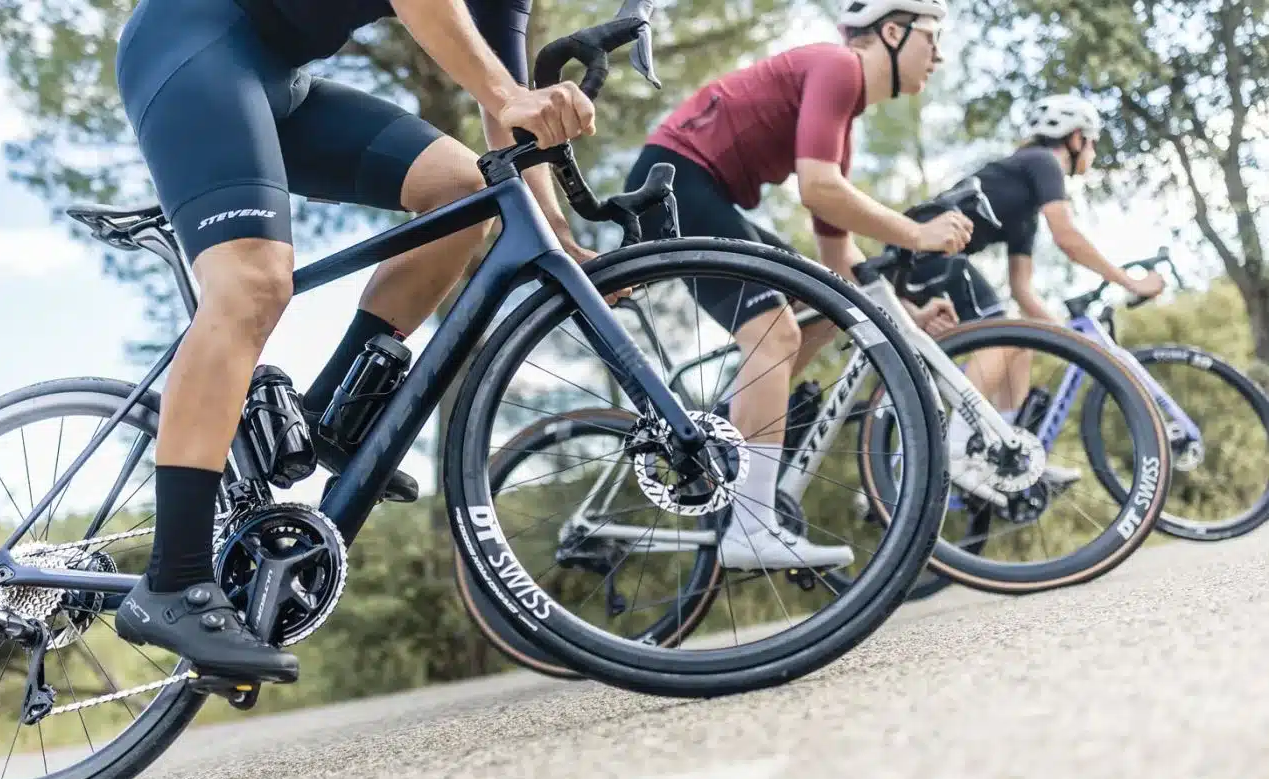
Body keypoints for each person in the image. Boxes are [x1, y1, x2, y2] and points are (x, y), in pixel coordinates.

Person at [111, 0, 599, 682]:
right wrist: (510, 94)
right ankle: (175, 578)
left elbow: (507, 117)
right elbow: (487, 73)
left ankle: (329, 416)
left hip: (280, 76)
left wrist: (558, 234)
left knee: (462, 195)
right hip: (192, 41)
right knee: (252, 283)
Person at [623, 0, 972, 571]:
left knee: (821, 304)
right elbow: (818, 189)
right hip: (677, 180)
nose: (939, 55)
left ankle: (732, 432)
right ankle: (751, 524)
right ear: (891, 31)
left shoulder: (843, 115)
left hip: (697, 188)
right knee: (778, 334)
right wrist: (917, 234)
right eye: (932, 38)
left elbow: (839, 260)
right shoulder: (838, 67)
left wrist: (907, 317)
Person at [902, 93, 1165, 480]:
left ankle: (1006, 454)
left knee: (1021, 340)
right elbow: (1068, 238)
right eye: (1092, 142)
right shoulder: (1042, 162)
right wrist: (1131, 282)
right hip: (921, 249)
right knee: (1000, 335)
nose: (1092, 151)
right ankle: (955, 452)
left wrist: (1065, 338)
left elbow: (1022, 290)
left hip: (933, 259)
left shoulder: (1023, 207)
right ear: (1075, 139)